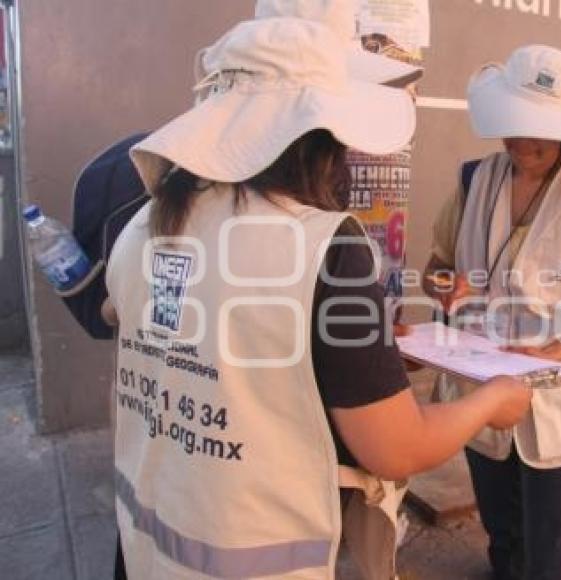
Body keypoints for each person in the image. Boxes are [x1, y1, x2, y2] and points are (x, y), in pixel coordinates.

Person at [106, 18, 531, 579]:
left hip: (141, 551)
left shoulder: (142, 222)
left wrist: (357, 358)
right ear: (319, 136)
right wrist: (492, 401)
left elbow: (198, 348)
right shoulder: (326, 246)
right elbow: (397, 449)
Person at [423, 45, 561, 580]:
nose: (523, 142)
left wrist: (547, 354)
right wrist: (445, 286)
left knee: (553, 556)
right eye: (513, 125)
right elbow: (437, 264)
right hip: (482, 395)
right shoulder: (474, 180)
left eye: (537, 129)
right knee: (503, 538)